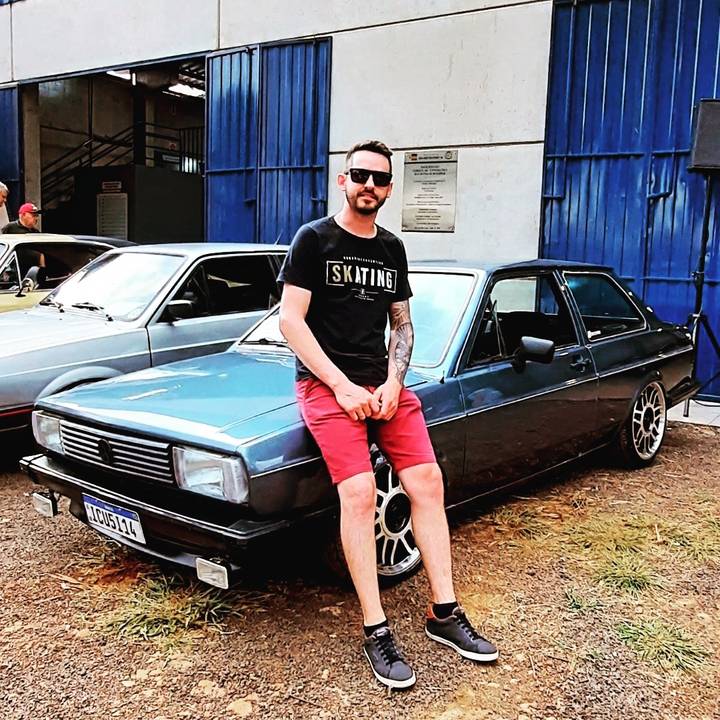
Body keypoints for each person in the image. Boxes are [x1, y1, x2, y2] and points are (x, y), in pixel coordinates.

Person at [277, 140, 498, 689]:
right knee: (359, 494)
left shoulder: (392, 248)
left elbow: (402, 324)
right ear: (343, 180)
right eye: (360, 175)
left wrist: (396, 382)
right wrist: (341, 385)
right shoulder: (313, 240)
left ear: (390, 189)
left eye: (379, 179)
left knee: (428, 481)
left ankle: (444, 612)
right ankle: (375, 629)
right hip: (326, 388)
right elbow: (291, 322)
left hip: (383, 385)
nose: (368, 185)